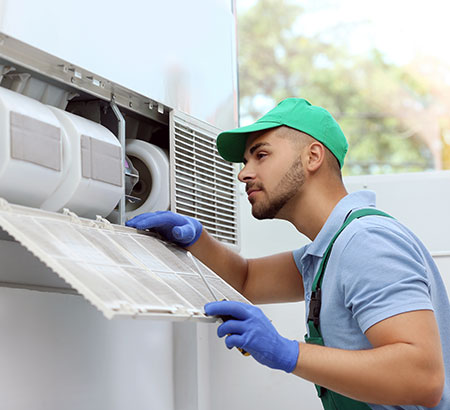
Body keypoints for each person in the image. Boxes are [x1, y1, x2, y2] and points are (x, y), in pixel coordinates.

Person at [126, 98, 450, 410]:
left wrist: (286, 351)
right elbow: (246, 279)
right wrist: (196, 238)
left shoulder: (365, 242)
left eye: (260, 155)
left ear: (312, 157)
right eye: (245, 162)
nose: (243, 173)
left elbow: (422, 377)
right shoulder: (328, 251)